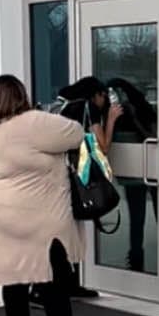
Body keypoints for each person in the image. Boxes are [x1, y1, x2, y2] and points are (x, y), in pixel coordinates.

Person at [0, 75, 90, 316]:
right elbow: (75, 133)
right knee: (52, 277)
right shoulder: (33, 122)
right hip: (33, 212)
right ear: (19, 97)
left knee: (14, 276)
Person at [55, 76, 123, 297]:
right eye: (104, 96)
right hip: (77, 177)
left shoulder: (62, 106)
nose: (105, 101)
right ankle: (68, 285)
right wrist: (111, 119)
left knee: (65, 231)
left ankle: (67, 283)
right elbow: (101, 147)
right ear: (97, 95)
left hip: (58, 177)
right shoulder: (89, 107)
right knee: (72, 233)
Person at [105, 77, 158, 272]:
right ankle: (136, 258)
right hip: (132, 175)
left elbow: (153, 138)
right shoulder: (114, 117)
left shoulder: (144, 111)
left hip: (153, 172)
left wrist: (135, 118)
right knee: (137, 219)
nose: (119, 100)